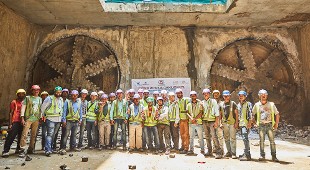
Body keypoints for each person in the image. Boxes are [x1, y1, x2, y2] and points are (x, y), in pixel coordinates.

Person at [252, 89, 280, 162]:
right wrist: (254, 123)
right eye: (261, 95)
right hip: (261, 125)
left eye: (264, 95)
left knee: (272, 141)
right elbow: (252, 114)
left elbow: (277, 114)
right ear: (259, 96)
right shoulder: (257, 105)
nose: (263, 96)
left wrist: (276, 124)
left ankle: (274, 156)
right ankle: (262, 155)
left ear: (267, 96)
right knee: (261, 141)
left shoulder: (271, 104)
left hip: (270, 125)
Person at [2, 89, 26, 157]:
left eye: (22, 94)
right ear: (17, 94)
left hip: (22, 121)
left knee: (21, 137)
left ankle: (18, 149)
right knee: (11, 136)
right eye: (19, 94)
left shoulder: (24, 102)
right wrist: (10, 124)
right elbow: (11, 113)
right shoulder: (14, 102)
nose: (21, 95)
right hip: (15, 121)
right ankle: (5, 151)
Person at [19, 85, 42, 157]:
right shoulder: (27, 98)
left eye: (37, 90)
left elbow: (40, 108)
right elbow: (23, 108)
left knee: (33, 134)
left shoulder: (40, 99)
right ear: (32, 91)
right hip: (28, 118)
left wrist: (40, 117)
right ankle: (22, 149)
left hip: (36, 118)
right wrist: (22, 118)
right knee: (24, 134)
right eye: (35, 90)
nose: (36, 91)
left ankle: (31, 148)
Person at [41, 86, 64, 157]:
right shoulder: (49, 98)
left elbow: (61, 108)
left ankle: (49, 148)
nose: (58, 93)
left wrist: (62, 119)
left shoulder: (61, 99)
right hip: (50, 119)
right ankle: (47, 150)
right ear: (54, 92)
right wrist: (43, 116)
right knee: (50, 134)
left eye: (60, 92)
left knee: (54, 134)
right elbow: (43, 108)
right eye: (57, 92)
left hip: (58, 119)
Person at [201, 89, 222, 159]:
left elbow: (217, 113)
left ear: (209, 94)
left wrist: (216, 122)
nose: (205, 95)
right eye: (204, 94)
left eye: (207, 93)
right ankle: (209, 151)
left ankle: (218, 152)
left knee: (214, 136)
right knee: (207, 137)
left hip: (212, 121)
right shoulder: (202, 102)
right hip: (205, 121)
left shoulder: (213, 101)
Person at [221, 90, 239, 159]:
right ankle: (229, 152)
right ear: (223, 96)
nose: (226, 97)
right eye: (225, 96)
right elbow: (220, 114)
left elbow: (236, 114)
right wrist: (220, 123)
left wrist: (236, 123)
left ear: (229, 96)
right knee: (226, 138)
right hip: (225, 123)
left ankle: (233, 153)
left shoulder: (233, 103)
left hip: (232, 123)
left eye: (227, 96)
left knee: (233, 138)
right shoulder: (221, 104)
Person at [237, 90, 253, 161]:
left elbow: (251, 114)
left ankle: (247, 155)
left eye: (242, 96)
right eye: (240, 96)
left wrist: (250, 123)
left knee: (245, 139)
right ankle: (245, 153)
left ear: (245, 96)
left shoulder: (248, 104)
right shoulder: (238, 105)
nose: (241, 97)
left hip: (245, 124)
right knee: (244, 138)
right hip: (241, 124)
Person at [187, 91, 204, 155]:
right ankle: (191, 150)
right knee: (191, 137)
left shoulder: (200, 103)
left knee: (200, 137)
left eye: (194, 95)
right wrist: (191, 119)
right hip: (191, 123)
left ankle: (202, 150)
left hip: (198, 122)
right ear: (190, 96)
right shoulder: (188, 104)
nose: (193, 96)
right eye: (192, 95)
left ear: (196, 96)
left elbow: (201, 113)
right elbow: (187, 112)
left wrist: (195, 119)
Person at [175, 88, 190, 154]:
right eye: (177, 93)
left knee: (186, 134)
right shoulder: (177, 101)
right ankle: (183, 146)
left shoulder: (187, 99)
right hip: (181, 120)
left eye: (179, 93)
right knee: (182, 134)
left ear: (182, 93)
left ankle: (186, 148)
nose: (178, 94)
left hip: (186, 120)